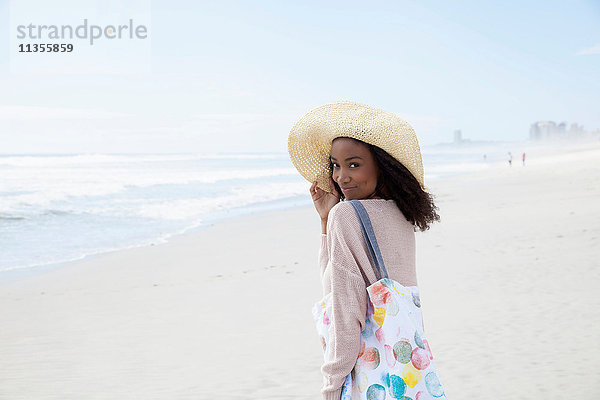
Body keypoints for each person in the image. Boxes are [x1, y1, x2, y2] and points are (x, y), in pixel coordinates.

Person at [288, 101, 446, 400]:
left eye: (354, 164)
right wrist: (326, 219)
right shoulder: (401, 215)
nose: (340, 177)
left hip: (370, 375)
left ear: (383, 167)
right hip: (410, 371)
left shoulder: (347, 216)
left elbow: (342, 310)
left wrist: (331, 388)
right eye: (335, 164)